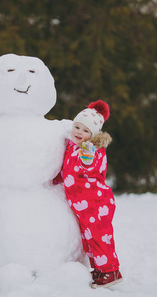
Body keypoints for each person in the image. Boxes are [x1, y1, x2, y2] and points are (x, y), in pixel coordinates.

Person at [55, 100, 122, 289]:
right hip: (84, 205)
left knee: (100, 237)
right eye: (77, 127)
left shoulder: (91, 150)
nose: (79, 132)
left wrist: (87, 159)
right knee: (88, 239)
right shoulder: (72, 147)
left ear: (92, 135)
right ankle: (99, 270)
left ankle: (111, 271)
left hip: (96, 202)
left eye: (86, 131)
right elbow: (67, 170)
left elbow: (88, 164)